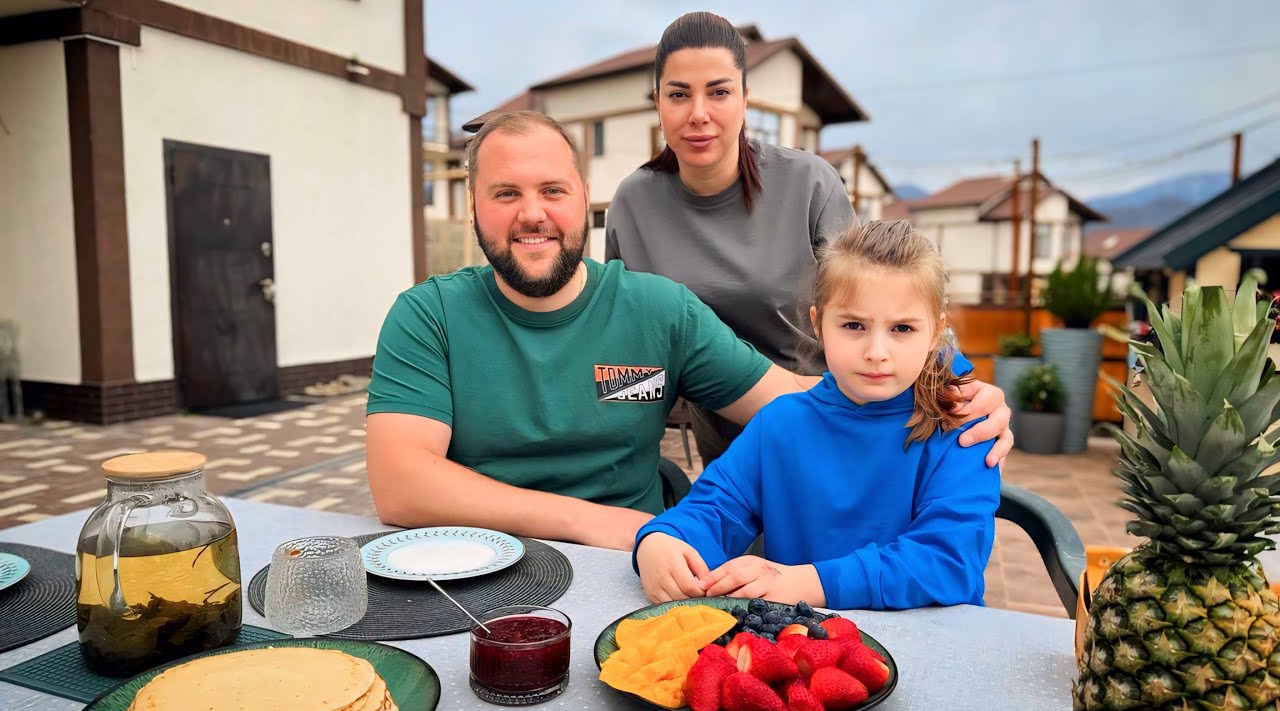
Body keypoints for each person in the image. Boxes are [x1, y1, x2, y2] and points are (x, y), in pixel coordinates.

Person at [364, 111, 1010, 552]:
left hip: (630, 570)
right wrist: (590, 523)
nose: (532, 214)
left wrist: (947, 387)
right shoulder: (429, 316)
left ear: (584, 195)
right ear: (473, 201)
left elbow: (799, 401)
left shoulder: (660, 311)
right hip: (473, 565)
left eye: (552, 190)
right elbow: (400, 487)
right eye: (505, 193)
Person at [606, 12, 1009, 467]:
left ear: (744, 100)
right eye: (679, 94)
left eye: (719, 92)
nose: (699, 113)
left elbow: (879, 291)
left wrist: (958, 382)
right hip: (724, 444)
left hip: (828, 420)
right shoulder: (632, 204)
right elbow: (624, 347)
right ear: (658, 102)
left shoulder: (807, 183)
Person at [634, 220, 1002, 610]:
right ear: (818, 324)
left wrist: (808, 582)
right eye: (854, 325)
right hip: (803, 648)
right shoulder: (779, 423)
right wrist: (664, 539)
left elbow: (949, 562)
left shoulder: (965, 426)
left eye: (902, 328)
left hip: (931, 648)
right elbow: (716, 506)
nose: (877, 351)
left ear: (935, 334)